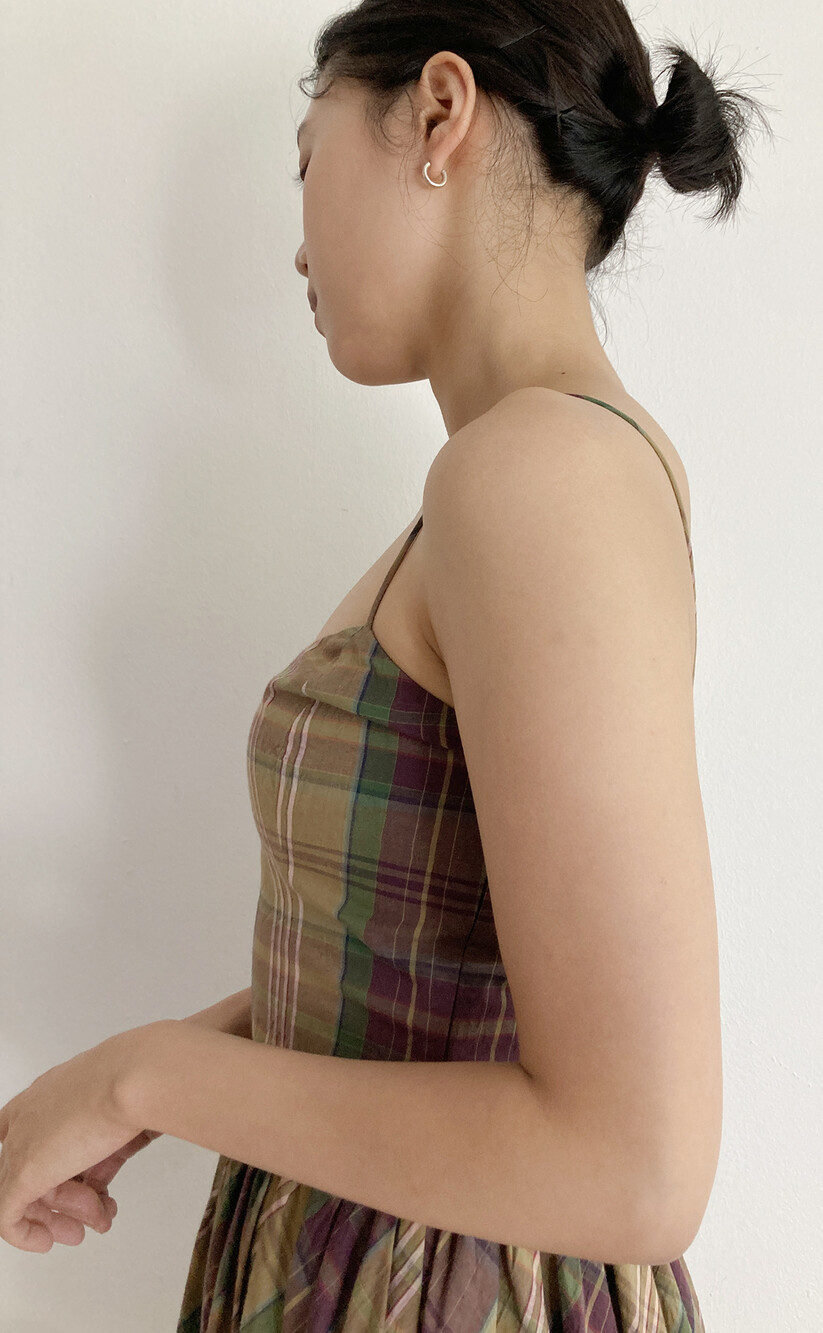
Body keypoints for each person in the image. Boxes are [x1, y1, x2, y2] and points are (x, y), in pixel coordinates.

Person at [0, 3, 769, 1328]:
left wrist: (146, 1077)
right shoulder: (526, 473)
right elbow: (420, 969)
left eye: (307, 160)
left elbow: (635, 1165)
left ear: (440, 113)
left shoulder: (542, 475)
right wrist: (142, 1080)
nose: (298, 244)